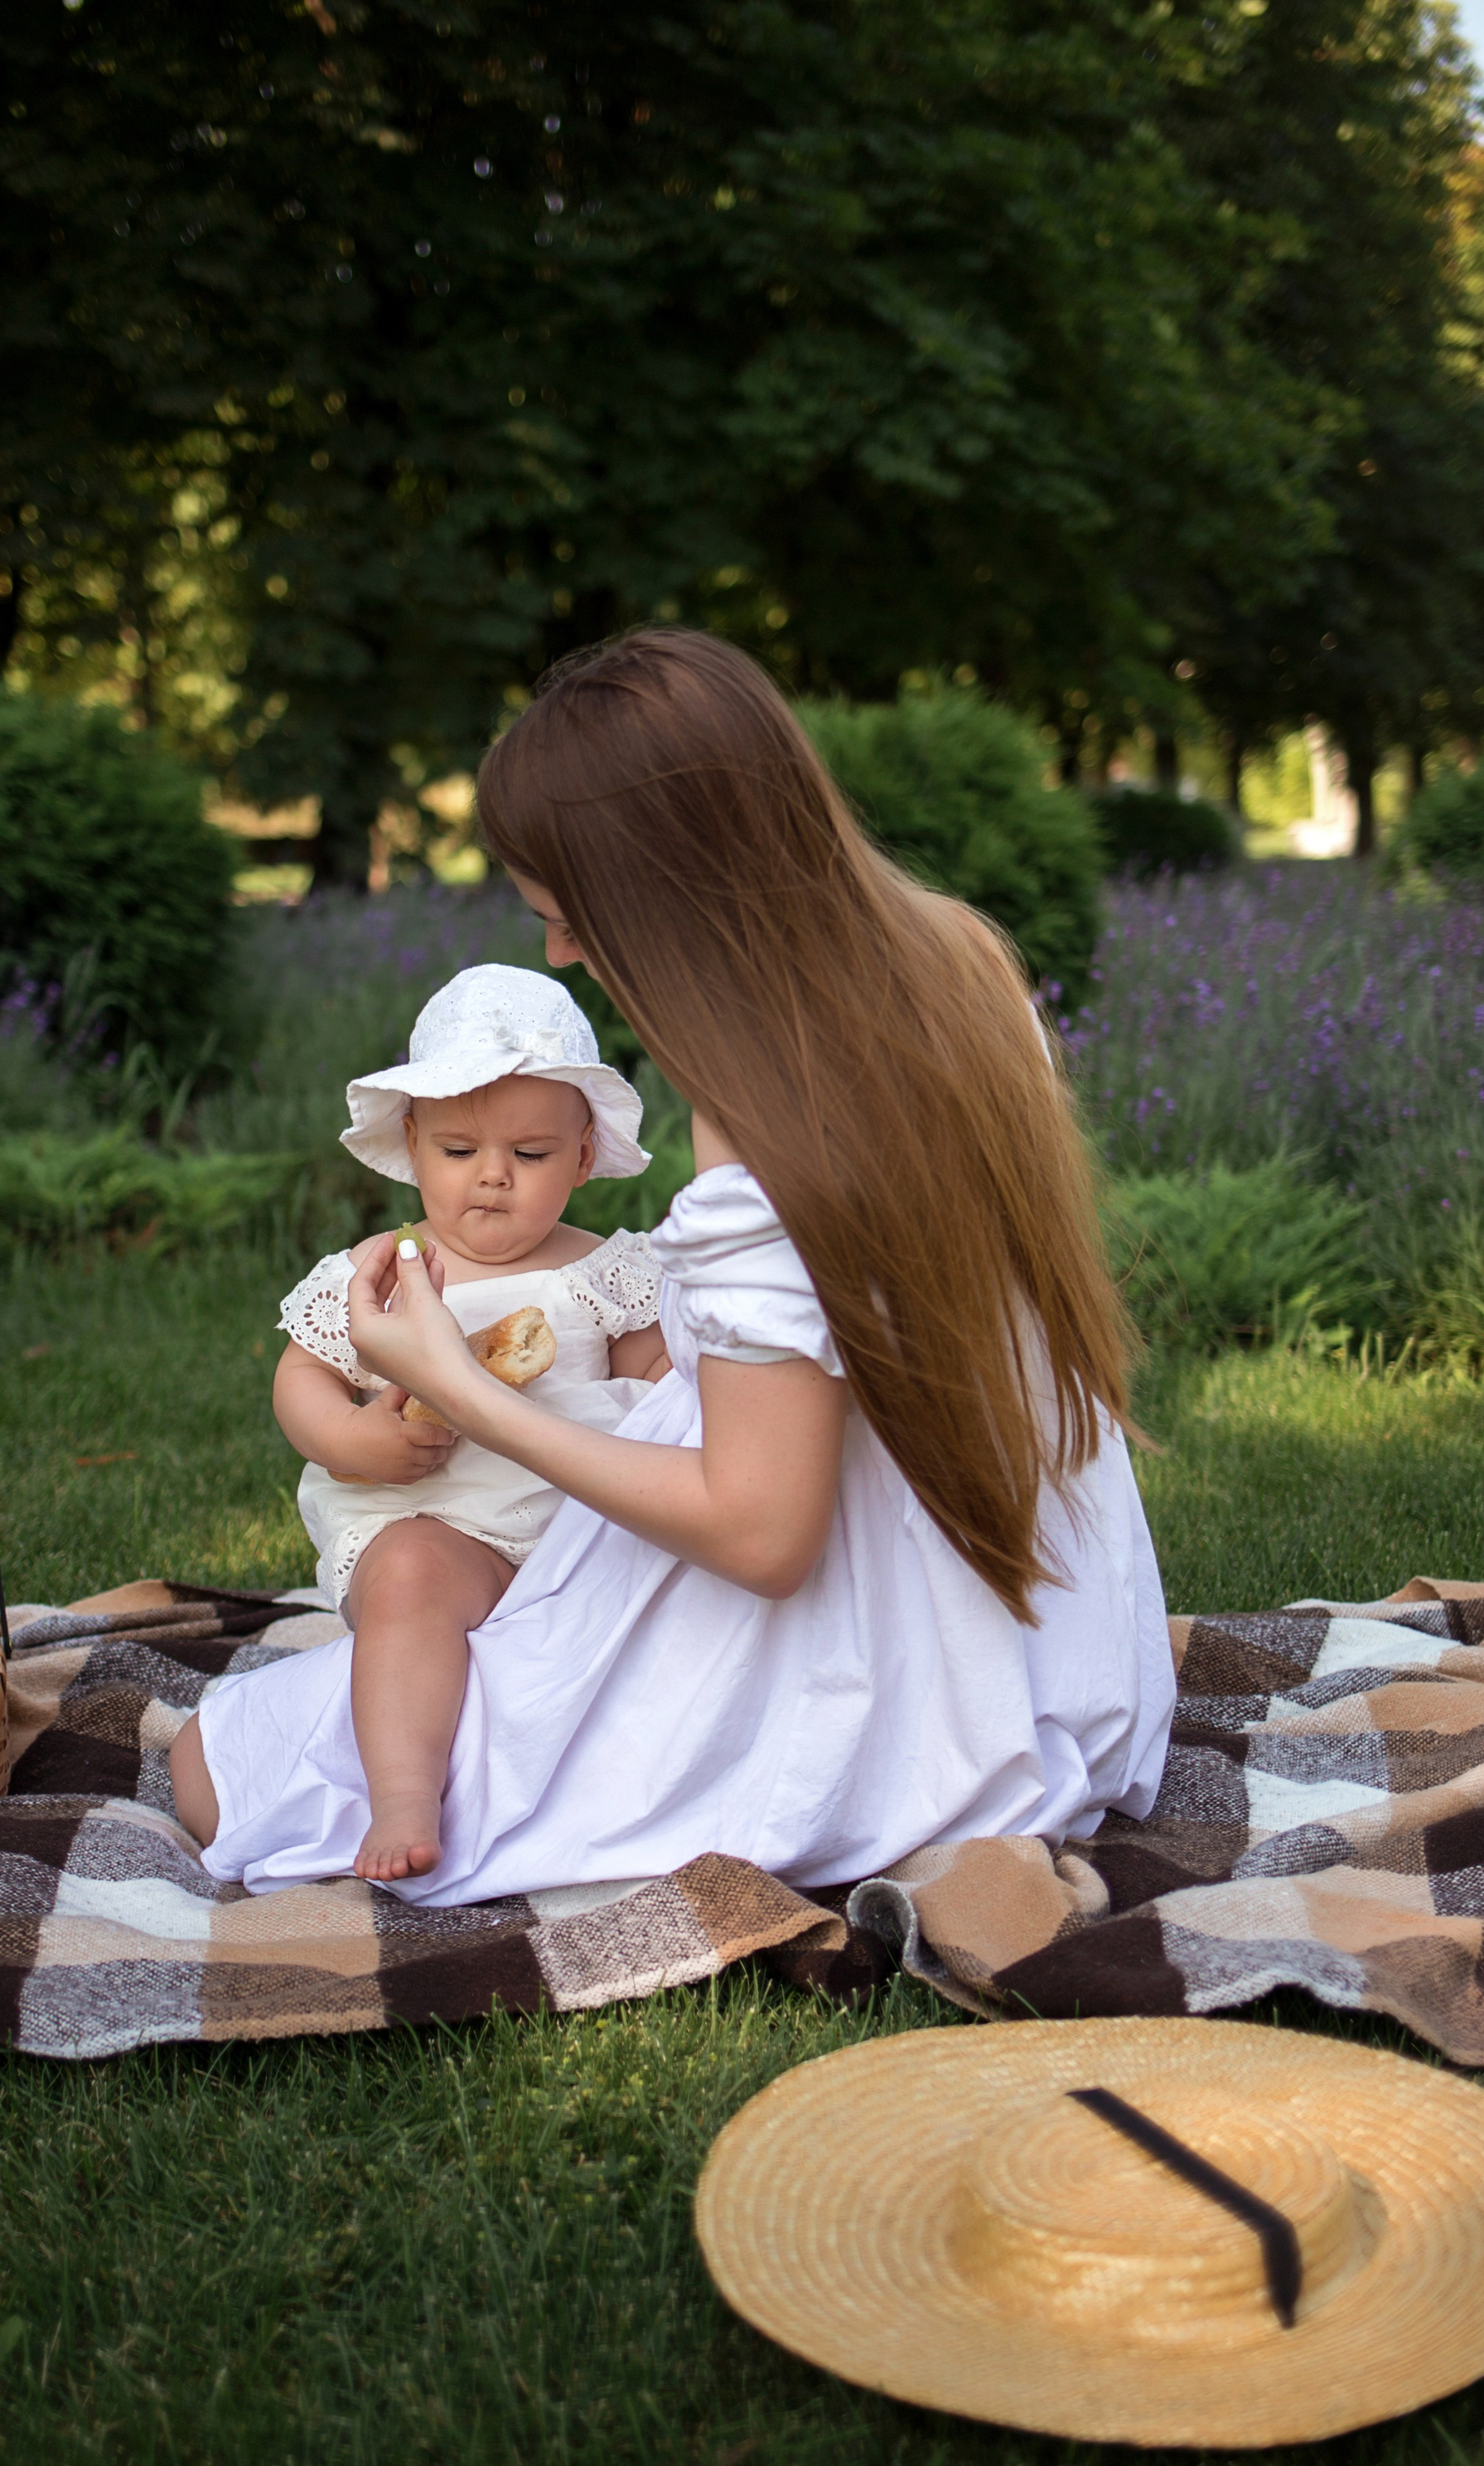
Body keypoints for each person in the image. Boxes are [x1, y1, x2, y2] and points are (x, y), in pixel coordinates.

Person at [173, 627, 1174, 1906]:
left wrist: (457, 1386)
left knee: (224, 1767)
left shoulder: (760, 1101)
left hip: (871, 1689)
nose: (563, 957)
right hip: (1051, 1651)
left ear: (652, 886)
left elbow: (765, 1536)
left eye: (562, 915)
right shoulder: (964, 959)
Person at [172, 965, 667, 1880]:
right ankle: (405, 1792)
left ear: (585, 1154)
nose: (491, 1178)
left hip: (575, 1535)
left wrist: (673, 1374)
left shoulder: (606, 1273)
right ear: (411, 1142)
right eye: (457, 1150)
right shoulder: (388, 1273)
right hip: (439, 1525)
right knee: (410, 1573)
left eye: (529, 1154)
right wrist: (352, 1438)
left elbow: (658, 1392)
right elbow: (305, 1374)